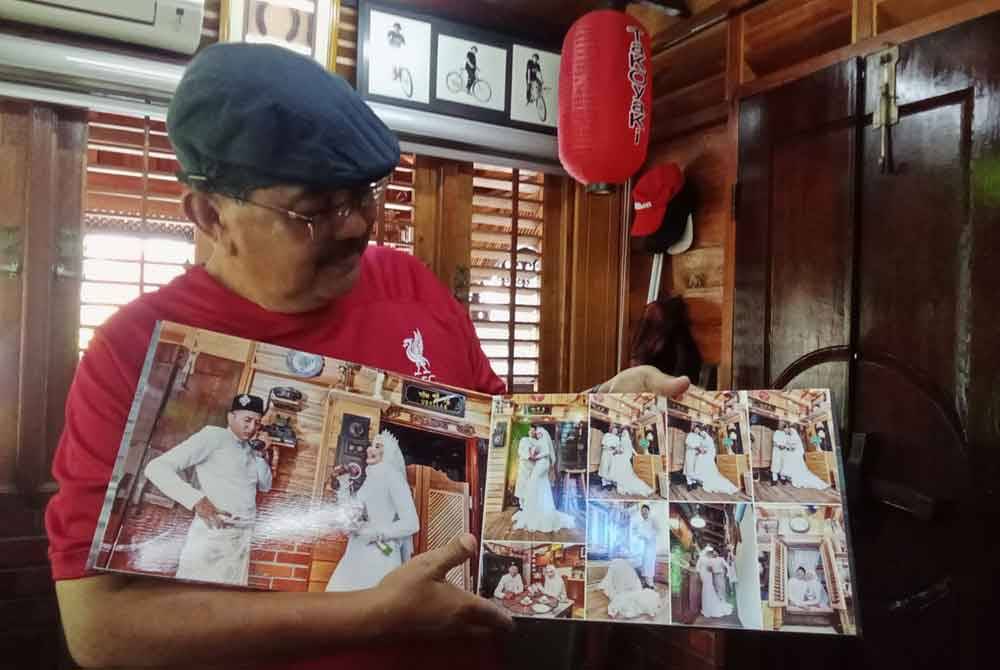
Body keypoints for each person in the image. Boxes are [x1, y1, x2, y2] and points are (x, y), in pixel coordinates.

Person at [45, 42, 690, 669]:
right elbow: (98, 629)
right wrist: (372, 614)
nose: (356, 225)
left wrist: (592, 411)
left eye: (364, 195)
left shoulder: (408, 284)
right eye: (315, 211)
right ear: (210, 214)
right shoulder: (132, 350)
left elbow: (493, 449)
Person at [143, 393, 273, 586]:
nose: (252, 427)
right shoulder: (214, 436)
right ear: (231, 417)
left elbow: (265, 485)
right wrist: (196, 500)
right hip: (213, 535)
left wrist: (261, 453)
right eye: (247, 420)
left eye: (257, 422)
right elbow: (156, 468)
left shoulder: (250, 450)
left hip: (241, 540)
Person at [326, 431, 418, 591]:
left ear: (388, 453)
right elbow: (351, 516)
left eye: (377, 446)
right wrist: (344, 484)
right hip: (357, 551)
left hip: (380, 554)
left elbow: (412, 523)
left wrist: (377, 533)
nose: (369, 449)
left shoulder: (393, 476)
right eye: (371, 445)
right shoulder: (371, 479)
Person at [511, 426, 575, 533]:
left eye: (539, 433)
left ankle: (537, 511)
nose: (537, 434)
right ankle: (536, 508)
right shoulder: (533, 441)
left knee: (534, 482)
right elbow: (532, 451)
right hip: (540, 464)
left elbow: (546, 452)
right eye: (537, 433)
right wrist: (532, 454)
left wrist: (536, 457)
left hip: (542, 463)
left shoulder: (543, 441)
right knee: (540, 485)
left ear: (543, 433)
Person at [776, 424, 830, 490]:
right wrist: (786, 446)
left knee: (795, 463)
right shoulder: (787, 434)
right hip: (792, 451)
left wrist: (789, 446)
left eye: (786, 430)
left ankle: (793, 476)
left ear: (788, 428)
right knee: (787, 457)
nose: (785, 432)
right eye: (784, 431)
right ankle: (787, 476)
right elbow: (788, 444)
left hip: (796, 452)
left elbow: (795, 444)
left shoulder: (793, 432)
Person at [692, 426, 740, 495]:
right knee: (699, 459)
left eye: (697, 430)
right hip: (703, 454)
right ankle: (700, 479)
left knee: (705, 464)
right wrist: (700, 451)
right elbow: (701, 446)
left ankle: (706, 480)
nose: (697, 431)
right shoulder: (699, 438)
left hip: (707, 454)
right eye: (695, 430)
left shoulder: (706, 436)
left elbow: (710, 447)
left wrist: (705, 451)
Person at [606, 427, 654, 496]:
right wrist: (636, 454)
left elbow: (627, 449)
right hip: (624, 456)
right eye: (623, 433)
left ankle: (620, 482)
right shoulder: (625, 440)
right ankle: (619, 481)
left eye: (624, 433)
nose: (623, 434)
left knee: (617, 460)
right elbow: (626, 449)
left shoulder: (624, 440)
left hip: (624, 456)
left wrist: (636, 454)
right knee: (616, 460)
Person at [696, 546, 734, 618]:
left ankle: (708, 607)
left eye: (711, 552)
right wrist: (701, 574)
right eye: (710, 552)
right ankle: (707, 607)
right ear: (707, 552)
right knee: (707, 590)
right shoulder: (703, 558)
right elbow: (698, 568)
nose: (711, 553)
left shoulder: (709, 559)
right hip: (705, 575)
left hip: (708, 575)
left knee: (709, 589)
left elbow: (709, 568)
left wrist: (711, 570)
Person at [631, 504, 658, 588]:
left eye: (645, 511)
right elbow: (638, 534)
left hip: (651, 546)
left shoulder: (653, 520)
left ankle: (650, 584)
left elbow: (656, 531)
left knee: (650, 564)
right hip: (645, 546)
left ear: (648, 511)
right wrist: (639, 535)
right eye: (642, 512)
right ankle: (647, 583)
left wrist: (647, 536)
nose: (643, 513)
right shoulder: (641, 523)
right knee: (645, 565)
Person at [513, 428, 536, 508]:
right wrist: (527, 457)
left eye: (533, 431)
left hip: (533, 466)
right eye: (531, 430)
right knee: (522, 483)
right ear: (528, 431)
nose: (532, 432)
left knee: (531, 484)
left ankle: (530, 503)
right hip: (524, 465)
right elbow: (520, 451)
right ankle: (521, 504)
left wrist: (534, 458)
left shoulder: (537, 442)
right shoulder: (524, 439)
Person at [683, 423, 704, 490]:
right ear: (694, 429)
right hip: (690, 453)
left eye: (698, 429)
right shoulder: (690, 435)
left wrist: (700, 450)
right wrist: (695, 447)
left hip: (696, 454)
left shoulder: (700, 437)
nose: (697, 430)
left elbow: (701, 446)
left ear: (699, 430)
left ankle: (694, 482)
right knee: (689, 468)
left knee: (695, 468)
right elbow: (687, 443)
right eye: (696, 429)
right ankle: (689, 483)